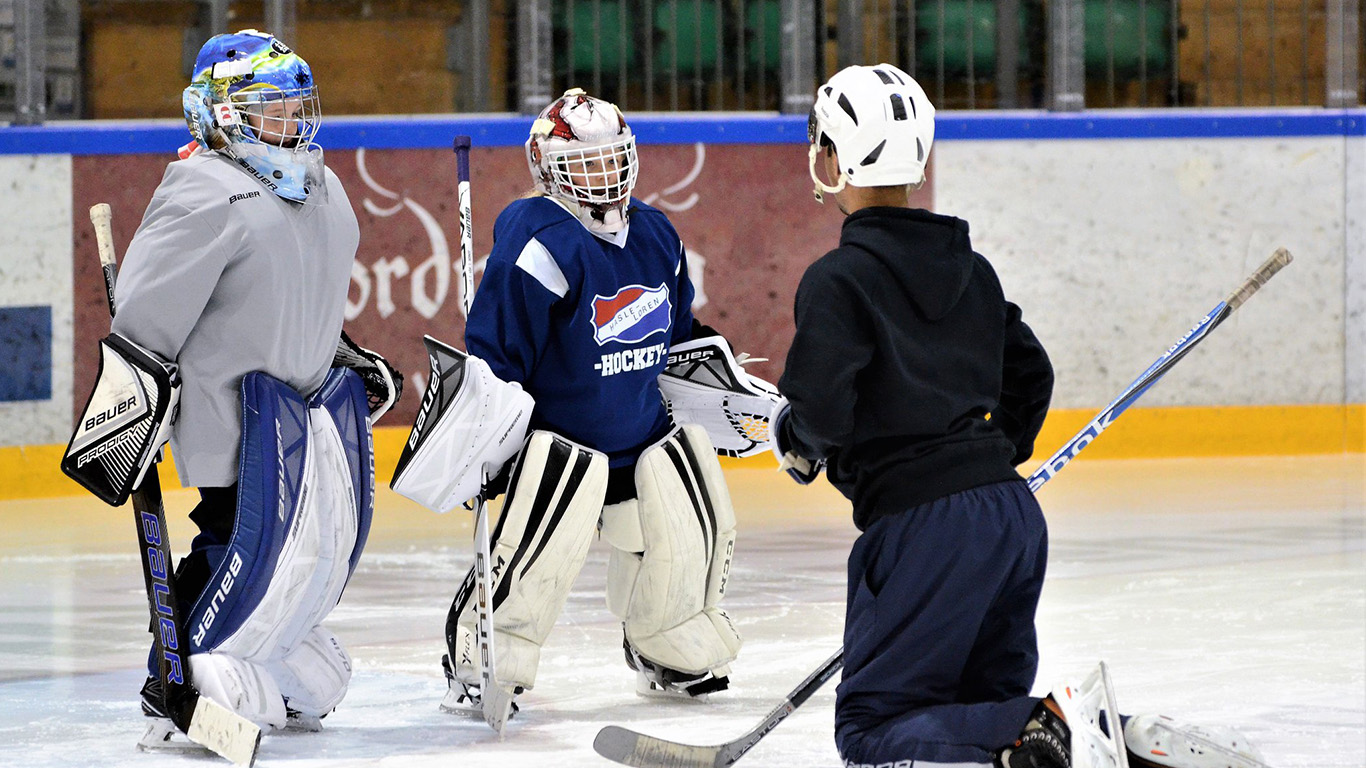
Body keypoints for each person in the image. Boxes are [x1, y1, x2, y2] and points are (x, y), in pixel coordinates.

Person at [772, 63, 1270, 768]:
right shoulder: (971, 268)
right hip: (1008, 517)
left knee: (873, 730)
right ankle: (1117, 732)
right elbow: (1031, 375)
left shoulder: (837, 279)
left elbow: (819, 409)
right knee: (986, 722)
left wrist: (796, 441)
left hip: (920, 530)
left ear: (837, 156)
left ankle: (1064, 722)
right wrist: (985, 461)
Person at [89, 29, 400, 746]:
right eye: (269, 106)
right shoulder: (203, 189)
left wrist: (346, 356)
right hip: (234, 413)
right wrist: (128, 408)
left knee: (308, 550)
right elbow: (147, 317)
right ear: (219, 113)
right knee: (236, 542)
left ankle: (261, 648)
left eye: (295, 104)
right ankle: (173, 678)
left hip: (304, 413)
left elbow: (300, 297)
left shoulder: (319, 182)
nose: (289, 120)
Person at [438, 88, 755, 713]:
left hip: (640, 436)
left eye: (612, 160)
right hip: (561, 444)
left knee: (690, 512)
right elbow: (498, 357)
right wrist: (487, 442)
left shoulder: (657, 234)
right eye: (585, 164)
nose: (603, 179)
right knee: (541, 545)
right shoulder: (539, 241)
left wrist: (722, 385)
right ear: (547, 168)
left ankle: (667, 644)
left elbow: (679, 336)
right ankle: (486, 651)